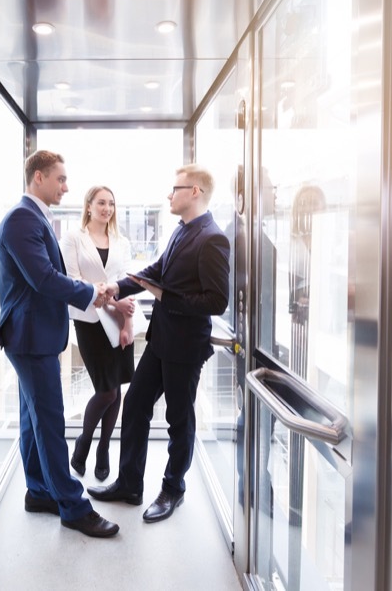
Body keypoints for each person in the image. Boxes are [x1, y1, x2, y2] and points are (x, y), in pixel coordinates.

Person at [88, 163, 231, 523]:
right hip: (160, 340)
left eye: (175, 188)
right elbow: (157, 271)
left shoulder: (213, 237)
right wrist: (118, 286)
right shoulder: (182, 231)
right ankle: (130, 484)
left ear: (194, 192)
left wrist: (166, 298)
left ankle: (173, 489)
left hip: (186, 346)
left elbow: (217, 302)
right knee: (135, 406)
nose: (170, 194)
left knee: (179, 420)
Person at [0, 150, 120, 538]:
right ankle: (73, 506)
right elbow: (44, 278)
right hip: (31, 337)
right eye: (60, 179)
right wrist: (91, 293)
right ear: (38, 178)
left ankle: (38, 491)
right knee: (49, 421)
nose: (66, 187)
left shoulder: (34, 217)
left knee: (35, 421)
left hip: (35, 334)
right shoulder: (21, 219)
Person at [60, 185, 138, 482]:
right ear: (89, 205)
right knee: (105, 390)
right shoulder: (73, 238)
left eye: (112, 204)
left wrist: (126, 321)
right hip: (89, 320)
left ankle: (104, 449)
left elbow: (127, 281)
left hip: (119, 320)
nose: (107, 208)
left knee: (116, 387)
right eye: (102, 202)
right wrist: (112, 298)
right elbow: (73, 279)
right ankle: (84, 441)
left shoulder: (122, 241)